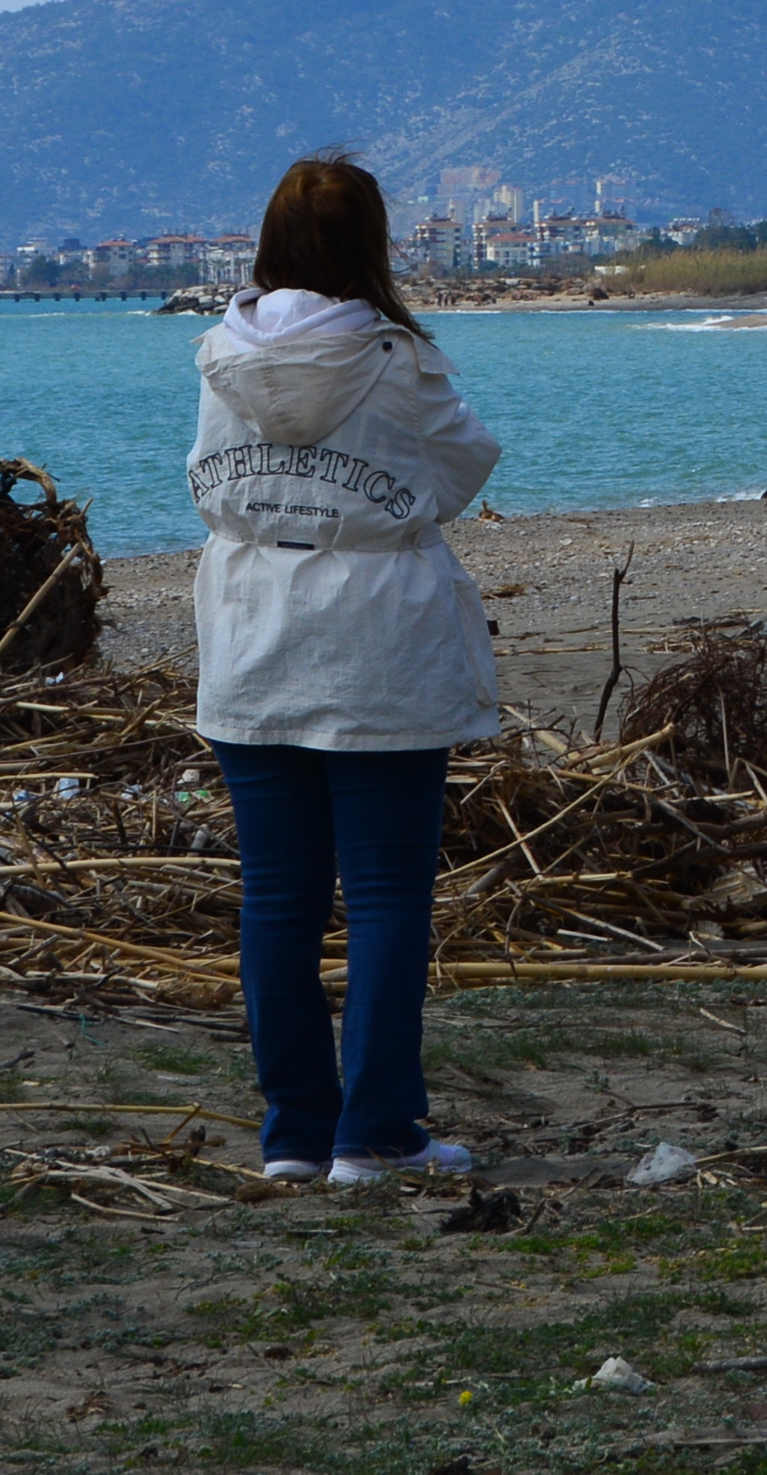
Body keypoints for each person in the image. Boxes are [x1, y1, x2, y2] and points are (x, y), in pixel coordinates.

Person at [187, 156, 501, 1187]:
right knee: (384, 898)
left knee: (277, 899)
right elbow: (462, 467)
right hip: (381, 646)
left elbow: (207, 485)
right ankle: (376, 1134)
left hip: (252, 636)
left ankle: (293, 1133)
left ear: (270, 242)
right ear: (371, 244)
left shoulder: (219, 358)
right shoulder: (397, 361)